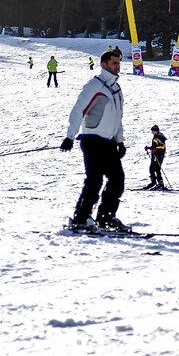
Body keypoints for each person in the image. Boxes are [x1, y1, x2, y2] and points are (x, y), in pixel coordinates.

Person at [61, 49, 128, 233]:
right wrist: (70, 136)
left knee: (117, 179)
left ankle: (105, 217)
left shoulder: (115, 88)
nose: (118, 67)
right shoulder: (94, 86)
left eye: (119, 63)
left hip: (108, 142)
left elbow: (117, 117)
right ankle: (80, 218)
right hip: (92, 140)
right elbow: (78, 110)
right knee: (95, 180)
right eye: (114, 63)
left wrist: (119, 141)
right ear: (104, 65)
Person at [144, 125, 167, 189]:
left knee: (156, 168)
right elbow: (155, 146)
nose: (152, 132)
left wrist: (155, 150)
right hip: (155, 155)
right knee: (153, 169)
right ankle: (155, 182)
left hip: (158, 156)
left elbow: (162, 147)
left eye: (153, 131)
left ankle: (158, 183)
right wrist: (149, 148)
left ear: (156, 131)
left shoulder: (159, 137)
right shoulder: (156, 137)